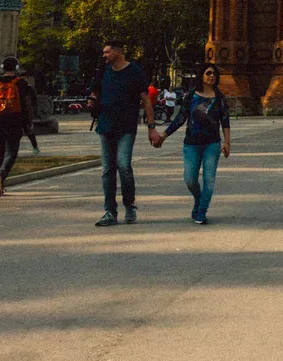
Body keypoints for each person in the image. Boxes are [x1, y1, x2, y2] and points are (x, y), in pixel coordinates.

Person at [86, 42, 157, 226]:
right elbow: (94, 91)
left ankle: (129, 204)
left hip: (126, 127)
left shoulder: (135, 71)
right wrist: (92, 100)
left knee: (123, 166)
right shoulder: (103, 71)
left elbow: (146, 100)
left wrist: (151, 127)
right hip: (105, 126)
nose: (104, 56)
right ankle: (110, 211)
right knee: (107, 170)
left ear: (118, 52)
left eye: (107, 52)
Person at [156, 62, 231, 225]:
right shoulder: (191, 97)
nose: (212, 76)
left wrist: (227, 142)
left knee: (209, 180)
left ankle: (201, 212)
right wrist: (164, 135)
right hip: (191, 144)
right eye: (208, 73)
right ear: (202, 76)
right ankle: (199, 200)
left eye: (214, 74)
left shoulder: (220, 98)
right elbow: (180, 118)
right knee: (190, 179)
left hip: (212, 144)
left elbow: (225, 121)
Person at [0, 58, 33, 200]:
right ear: (16, 68)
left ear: (3, 67)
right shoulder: (21, 83)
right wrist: (28, 122)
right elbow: (27, 105)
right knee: (11, 153)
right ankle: (1, 176)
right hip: (15, 122)